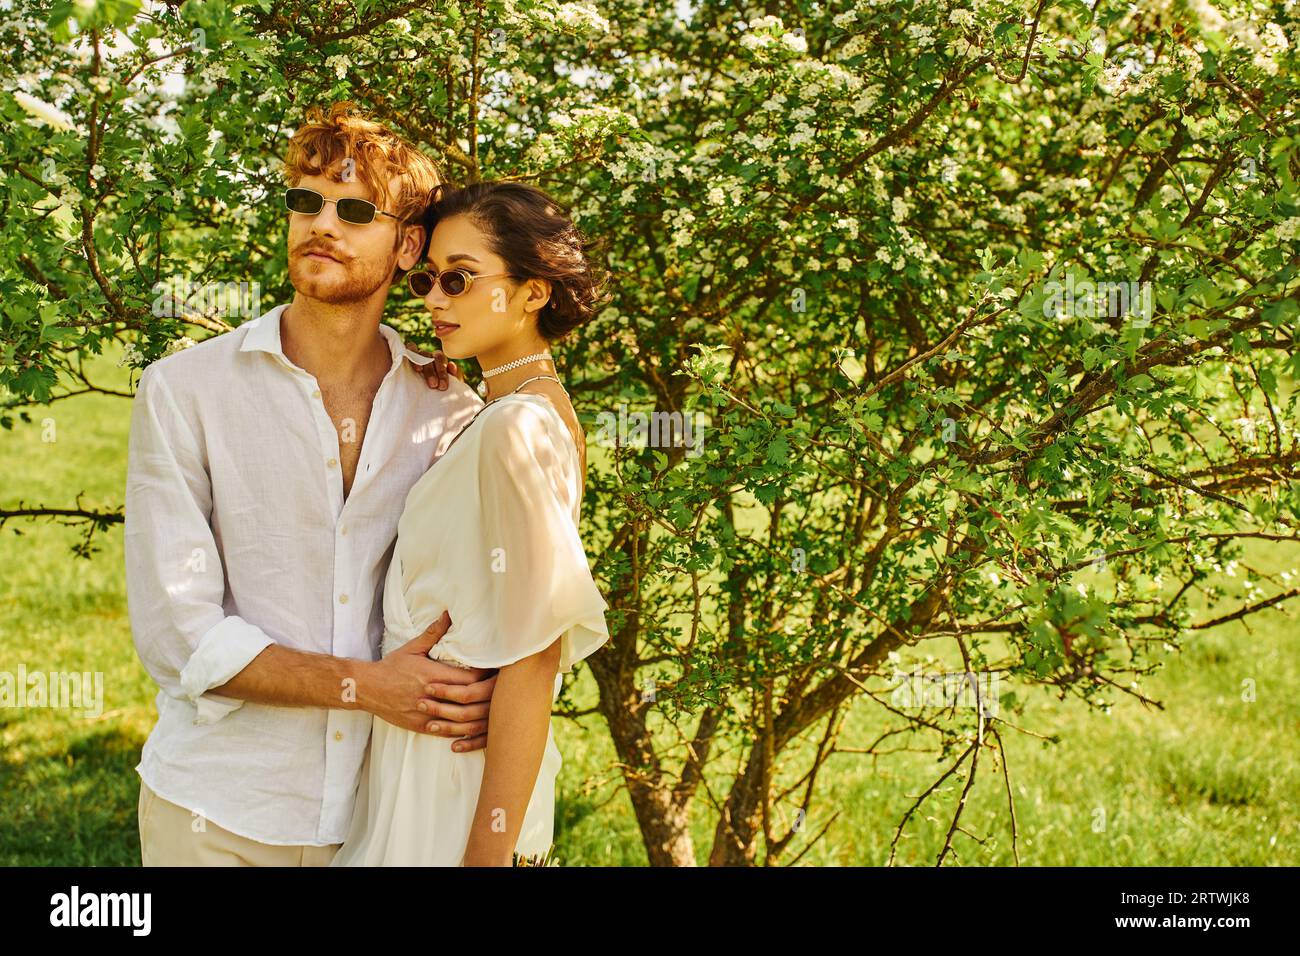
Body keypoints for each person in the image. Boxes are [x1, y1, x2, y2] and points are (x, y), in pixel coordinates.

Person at [125, 103, 493, 866]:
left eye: (354, 209)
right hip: (217, 809)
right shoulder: (184, 390)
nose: (321, 223)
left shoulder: (450, 410)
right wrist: (368, 687)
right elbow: (177, 635)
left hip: (381, 814)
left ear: (407, 246)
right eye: (306, 200)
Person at [330, 181, 610, 866]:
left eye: (459, 280)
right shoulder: (523, 410)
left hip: (452, 785)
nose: (432, 300)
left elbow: (536, 652)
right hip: (428, 756)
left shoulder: (517, 426)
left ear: (533, 291)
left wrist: (486, 855)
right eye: (428, 279)